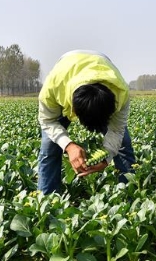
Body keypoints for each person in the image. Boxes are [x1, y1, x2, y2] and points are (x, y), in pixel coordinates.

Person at [37, 50, 136, 195]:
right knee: (49, 148)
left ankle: (131, 192)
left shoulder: (120, 92)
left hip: (102, 64)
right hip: (66, 71)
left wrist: (107, 157)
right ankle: (48, 198)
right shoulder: (53, 88)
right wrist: (69, 146)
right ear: (74, 111)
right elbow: (47, 121)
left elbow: (116, 130)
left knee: (123, 144)